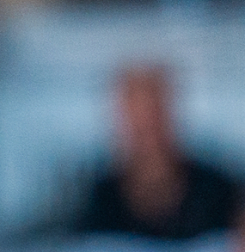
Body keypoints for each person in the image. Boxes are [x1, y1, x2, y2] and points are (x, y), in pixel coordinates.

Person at [74, 64, 241, 242]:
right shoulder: (97, 200)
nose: (147, 130)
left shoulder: (220, 192)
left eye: (153, 116)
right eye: (138, 122)